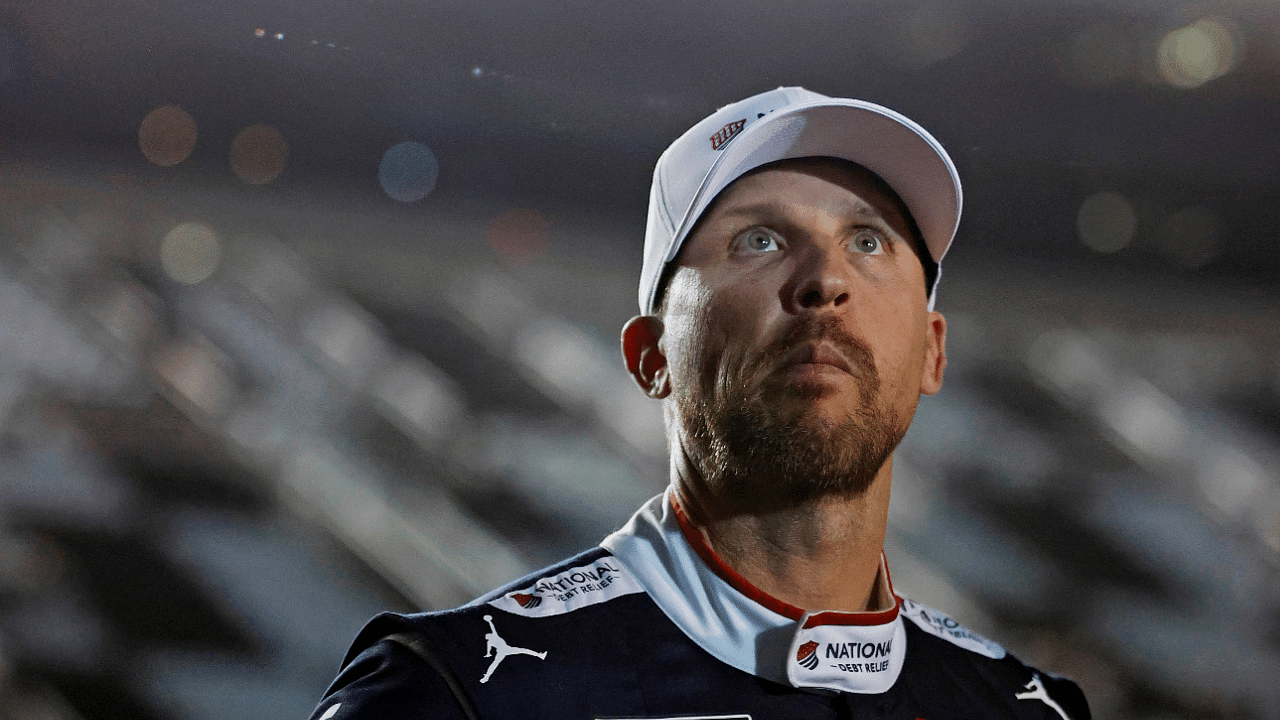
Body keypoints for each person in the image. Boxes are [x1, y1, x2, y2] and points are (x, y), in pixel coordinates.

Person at [306, 87, 1090, 719]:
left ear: (934, 351)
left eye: (869, 241)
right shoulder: (456, 693)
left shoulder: (1025, 710)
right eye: (759, 240)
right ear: (651, 359)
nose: (825, 281)